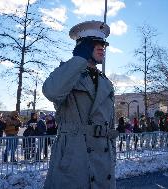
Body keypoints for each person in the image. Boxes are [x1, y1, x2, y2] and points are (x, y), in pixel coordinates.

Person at [42, 20, 118, 189]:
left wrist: (112, 157)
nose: (102, 48)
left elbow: (110, 125)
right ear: (82, 45)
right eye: (95, 43)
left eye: (103, 44)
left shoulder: (107, 83)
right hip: (74, 159)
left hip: (102, 161)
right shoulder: (67, 73)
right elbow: (52, 92)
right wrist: (79, 60)